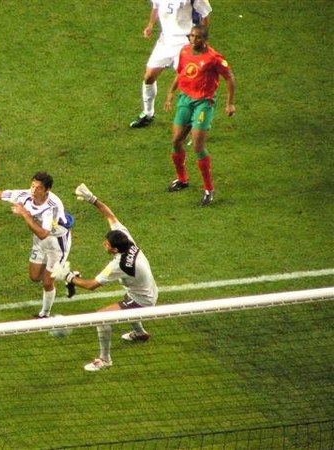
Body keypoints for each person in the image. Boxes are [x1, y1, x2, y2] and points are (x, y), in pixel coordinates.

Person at [52, 183, 158, 372]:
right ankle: (140, 334)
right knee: (127, 301)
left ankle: (104, 359)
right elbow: (110, 215)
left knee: (102, 317)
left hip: (144, 300)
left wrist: (67, 277)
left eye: (106, 244)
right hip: (145, 290)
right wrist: (92, 198)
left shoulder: (120, 264)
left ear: (115, 249)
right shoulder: (126, 238)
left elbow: (92, 284)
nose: (104, 244)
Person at [0, 171, 72, 318]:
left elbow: (43, 233)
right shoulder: (26, 195)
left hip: (56, 244)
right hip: (39, 241)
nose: (33, 190)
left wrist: (25, 214)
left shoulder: (52, 207)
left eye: (38, 188)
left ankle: (45, 314)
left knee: (48, 283)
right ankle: (66, 276)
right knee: (34, 276)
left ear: (47, 190)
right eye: (32, 186)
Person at [164, 24, 236, 207]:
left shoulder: (214, 58)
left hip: (204, 102)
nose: (193, 40)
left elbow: (229, 77)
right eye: (192, 36)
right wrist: (171, 93)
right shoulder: (185, 51)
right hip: (185, 100)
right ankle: (182, 179)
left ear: (205, 40)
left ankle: (208, 189)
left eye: (198, 37)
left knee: (197, 146)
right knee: (176, 141)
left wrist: (230, 103)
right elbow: (180, 73)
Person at [130, 0, 212, 129]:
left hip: (184, 42)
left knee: (189, 82)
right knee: (149, 77)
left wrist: (202, 40)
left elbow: (205, 14)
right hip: (165, 41)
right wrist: (150, 24)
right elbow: (156, 6)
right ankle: (148, 113)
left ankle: (195, 122)